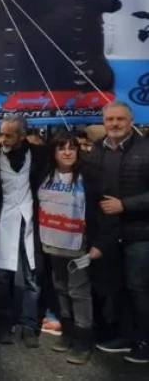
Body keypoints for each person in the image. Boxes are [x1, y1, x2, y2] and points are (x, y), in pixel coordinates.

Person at [36, 131, 117, 365]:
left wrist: (100, 244)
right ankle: (68, 333)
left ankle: (83, 341)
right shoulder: (44, 174)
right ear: (54, 152)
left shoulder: (91, 176)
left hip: (79, 246)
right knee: (60, 288)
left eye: (72, 147)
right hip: (51, 243)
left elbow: (107, 211)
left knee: (79, 293)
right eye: (62, 148)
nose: (68, 152)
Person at [0, 115, 48, 348]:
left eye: (9, 135)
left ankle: (29, 325)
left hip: (30, 219)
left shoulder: (39, 155)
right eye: (2, 133)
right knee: (1, 277)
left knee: (32, 274)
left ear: (21, 135)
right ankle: (4, 322)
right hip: (3, 220)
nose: (4, 139)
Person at [88, 102, 149, 364]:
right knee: (119, 286)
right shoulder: (96, 149)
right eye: (109, 119)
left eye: (120, 119)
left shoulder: (146, 148)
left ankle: (145, 342)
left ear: (131, 120)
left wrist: (125, 204)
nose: (114, 124)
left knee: (139, 289)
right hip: (110, 233)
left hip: (140, 233)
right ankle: (127, 336)